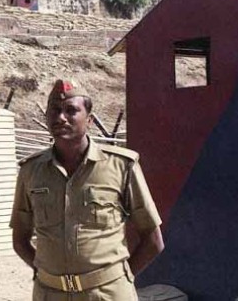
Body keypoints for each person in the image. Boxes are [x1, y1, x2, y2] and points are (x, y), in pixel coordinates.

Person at [10, 79, 165, 300]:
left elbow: (153, 240)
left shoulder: (120, 166)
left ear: (89, 120)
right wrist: (45, 272)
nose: (60, 117)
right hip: (50, 294)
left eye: (71, 111)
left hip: (107, 294)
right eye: (54, 110)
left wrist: (121, 278)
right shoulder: (31, 171)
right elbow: (19, 239)